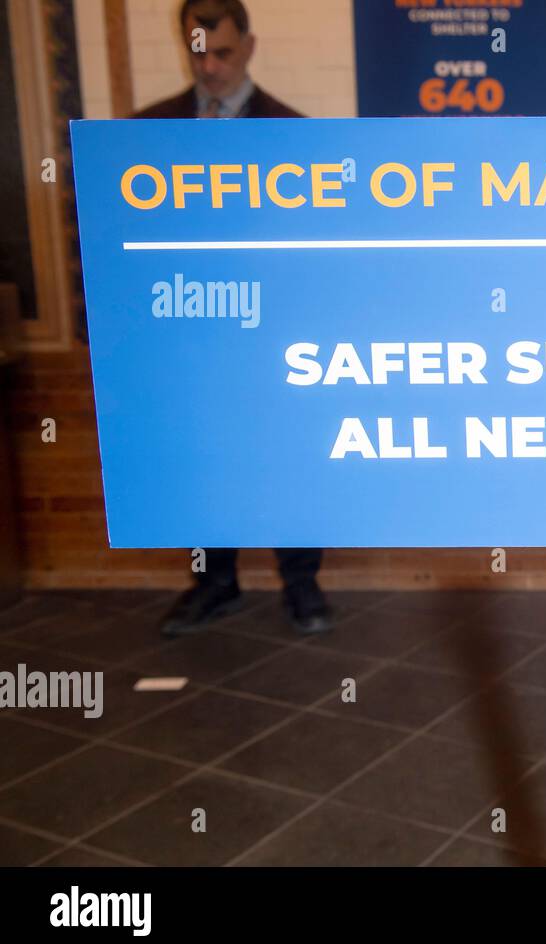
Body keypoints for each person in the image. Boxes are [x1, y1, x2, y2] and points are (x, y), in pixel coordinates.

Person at [135, 0, 332, 636]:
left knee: (289, 456)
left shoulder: (292, 132)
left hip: (274, 331)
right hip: (189, 332)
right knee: (198, 457)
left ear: (248, 46)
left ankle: (302, 584)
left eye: (222, 52)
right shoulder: (148, 132)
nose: (211, 66)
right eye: (198, 52)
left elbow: (313, 247)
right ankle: (214, 582)